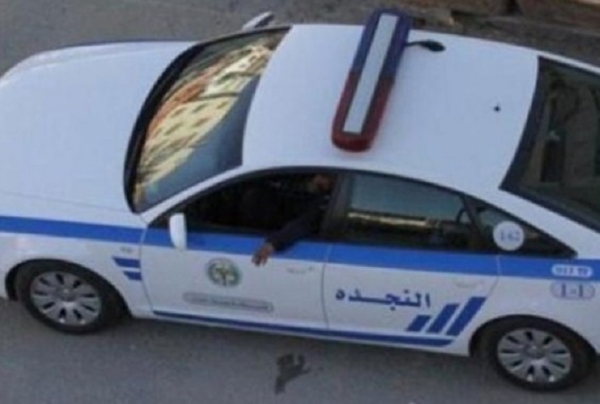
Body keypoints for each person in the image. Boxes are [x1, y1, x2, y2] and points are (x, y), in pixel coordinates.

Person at [251, 174, 335, 266]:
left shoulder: (329, 201)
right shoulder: (325, 196)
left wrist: (273, 244)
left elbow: (305, 223)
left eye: (324, 177)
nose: (318, 180)